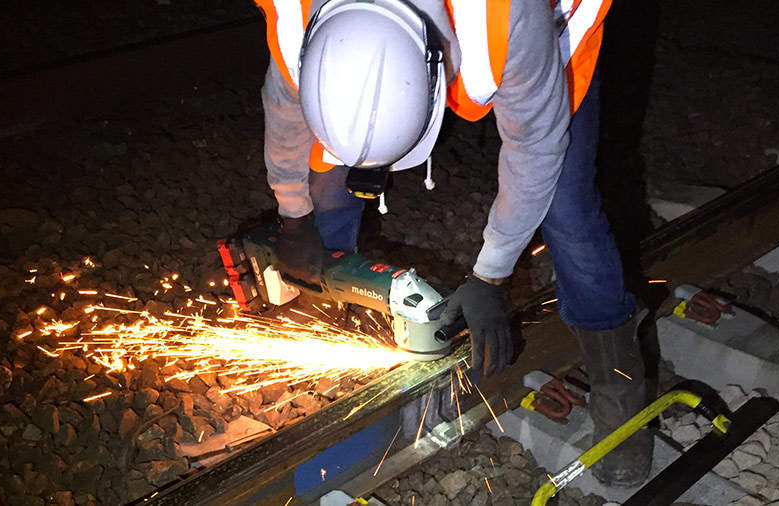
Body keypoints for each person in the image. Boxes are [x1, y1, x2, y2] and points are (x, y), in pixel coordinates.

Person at [255, 0, 652, 487]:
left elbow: (536, 151)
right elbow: (286, 114)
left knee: (566, 206)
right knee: (327, 182)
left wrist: (490, 275)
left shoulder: (508, 20)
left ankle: (621, 397)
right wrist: (294, 216)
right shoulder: (298, 20)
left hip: (553, 31)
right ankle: (334, 323)